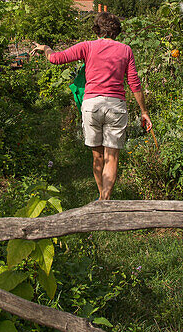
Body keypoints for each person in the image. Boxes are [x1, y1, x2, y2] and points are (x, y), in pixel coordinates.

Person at [33, 12, 152, 202]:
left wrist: (46, 48)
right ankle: (106, 199)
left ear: (97, 29)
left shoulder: (87, 47)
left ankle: (101, 200)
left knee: (97, 156)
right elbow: (134, 83)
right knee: (111, 157)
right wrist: (144, 112)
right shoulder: (126, 50)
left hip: (92, 105)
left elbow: (55, 59)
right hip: (115, 106)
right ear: (116, 32)